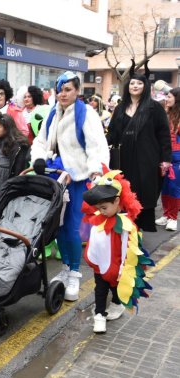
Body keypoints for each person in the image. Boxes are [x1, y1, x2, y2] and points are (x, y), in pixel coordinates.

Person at [31, 71, 109, 302]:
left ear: (76, 91)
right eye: (60, 90)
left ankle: (75, 272)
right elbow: (41, 141)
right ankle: (66, 268)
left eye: (67, 89)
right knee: (57, 227)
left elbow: (96, 146)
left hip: (77, 180)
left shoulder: (87, 114)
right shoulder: (53, 113)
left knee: (73, 228)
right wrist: (38, 158)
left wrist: (96, 173)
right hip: (54, 177)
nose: (63, 94)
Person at [82, 169, 154, 333]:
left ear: (117, 202)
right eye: (99, 208)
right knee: (100, 289)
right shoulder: (98, 218)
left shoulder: (125, 225)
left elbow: (126, 246)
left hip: (117, 266)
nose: (101, 211)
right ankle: (99, 316)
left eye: (104, 207)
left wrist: (123, 268)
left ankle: (117, 302)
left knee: (116, 288)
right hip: (101, 264)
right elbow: (92, 232)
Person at [107, 73, 171, 231]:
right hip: (123, 159)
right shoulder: (120, 108)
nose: (135, 86)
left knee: (143, 192)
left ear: (145, 87)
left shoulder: (154, 107)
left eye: (139, 84)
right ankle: (124, 228)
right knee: (123, 191)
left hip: (147, 158)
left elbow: (163, 135)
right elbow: (113, 133)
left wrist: (165, 159)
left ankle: (138, 230)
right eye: (132, 83)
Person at [0, 110, 30, 207]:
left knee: (7, 201)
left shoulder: (18, 144)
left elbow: (20, 166)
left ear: (7, 128)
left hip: (8, 175)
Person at [156, 87, 180, 231]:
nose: (167, 99)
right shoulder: (166, 114)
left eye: (169, 96)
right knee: (164, 188)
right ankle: (166, 214)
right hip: (164, 156)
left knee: (174, 188)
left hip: (177, 158)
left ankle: (173, 217)